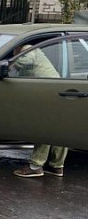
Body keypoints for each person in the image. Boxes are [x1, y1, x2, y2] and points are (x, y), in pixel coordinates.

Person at [11, 44, 68, 177]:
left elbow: (25, 61)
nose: (13, 53)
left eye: (13, 50)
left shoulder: (27, 48)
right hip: (55, 89)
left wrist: (10, 64)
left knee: (45, 127)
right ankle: (57, 166)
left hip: (47, 91)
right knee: (57, 129)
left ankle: (35, 166)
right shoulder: (33, 52)